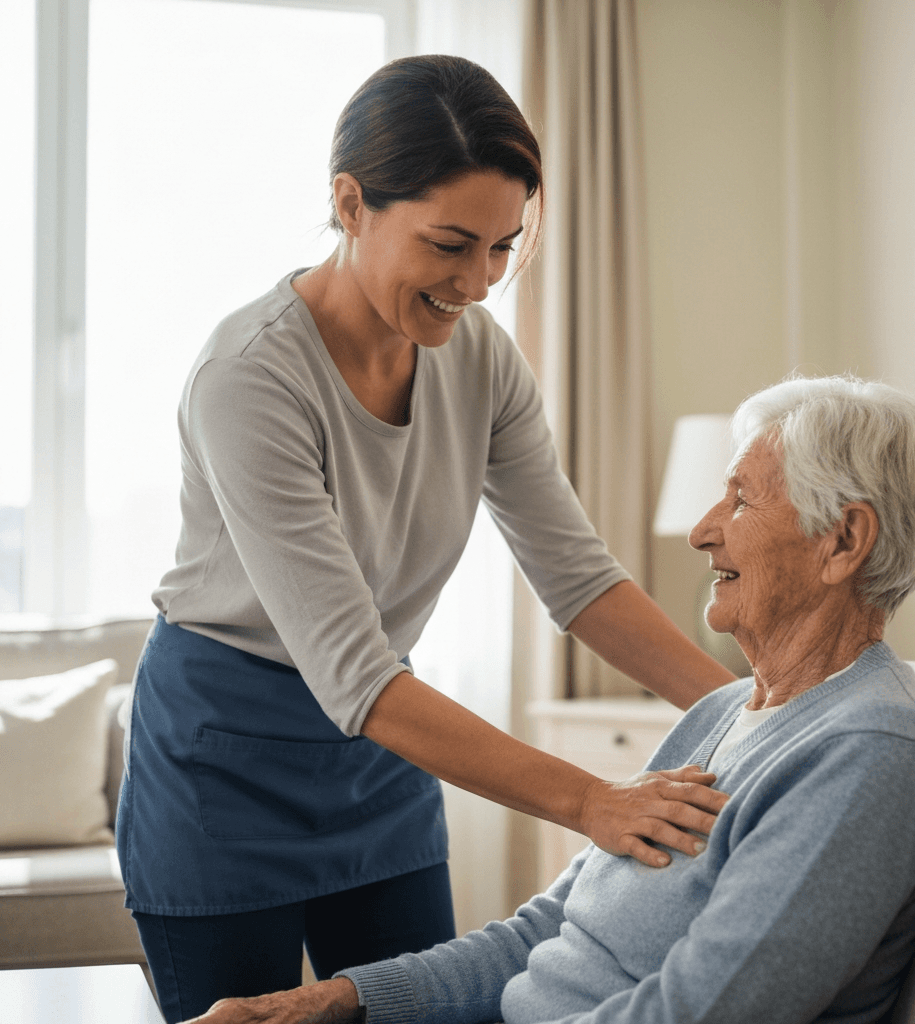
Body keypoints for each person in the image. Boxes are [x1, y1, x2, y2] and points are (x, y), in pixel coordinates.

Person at [116, 54, 736, 1023]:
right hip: (222, 766)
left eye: (501, 247)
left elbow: (577, 579)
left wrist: (745, 706)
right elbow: (355, 674)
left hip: (375, 761)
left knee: (424, 1008)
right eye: (451, 245)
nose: (478, 284)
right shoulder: (248, 377)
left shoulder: (479, 358)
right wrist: (593, 803)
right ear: (351, 203)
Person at [182, 374, 915, 1024]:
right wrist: (337, 1000)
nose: (702, 532)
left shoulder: (872, 751)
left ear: (843, 541)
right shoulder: (724, 712)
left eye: (738, 500)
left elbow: (702, 1013)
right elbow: (548, 931)